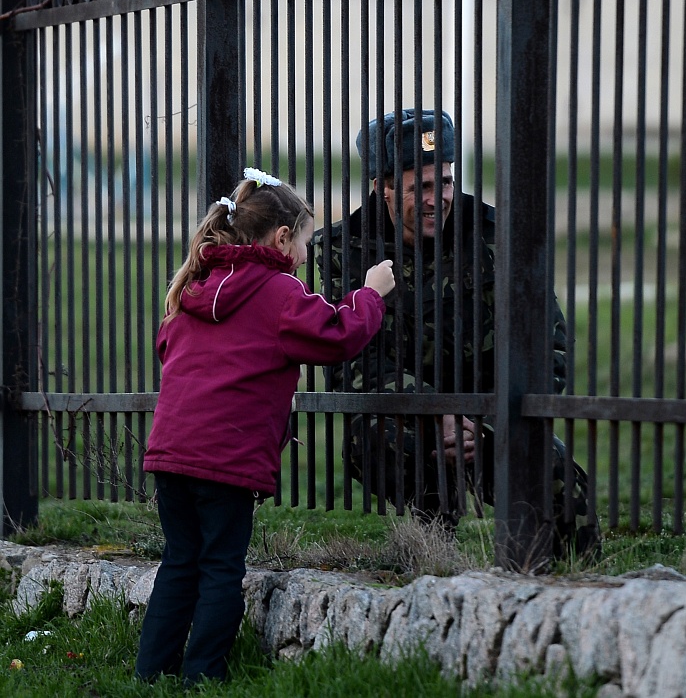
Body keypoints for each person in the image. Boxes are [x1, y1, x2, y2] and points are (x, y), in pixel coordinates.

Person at [135, 167, 396, 685]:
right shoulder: (277, 291)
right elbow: (337, 335)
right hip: (225, 461)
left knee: (180, 563)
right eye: (301, 242)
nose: (304, 256)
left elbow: (172, 352)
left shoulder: (195, 287)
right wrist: (372, 293)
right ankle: (203, 676)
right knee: (221, 570)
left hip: (170, 454)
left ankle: (152, 674)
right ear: (281, 239)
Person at [314, 109, 599, 562]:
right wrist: (435, 414)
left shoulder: (496, 235)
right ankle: (432, 544)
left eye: (443, 182)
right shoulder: (340, 252)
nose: (437, 198)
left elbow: (549, 345)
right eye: (420, 188)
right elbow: (351, 364)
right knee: (385, 440)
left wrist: (482, 419)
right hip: (401, 417)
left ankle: (570, 583)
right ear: (382, 189)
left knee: (563, 486)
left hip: (489, 413)